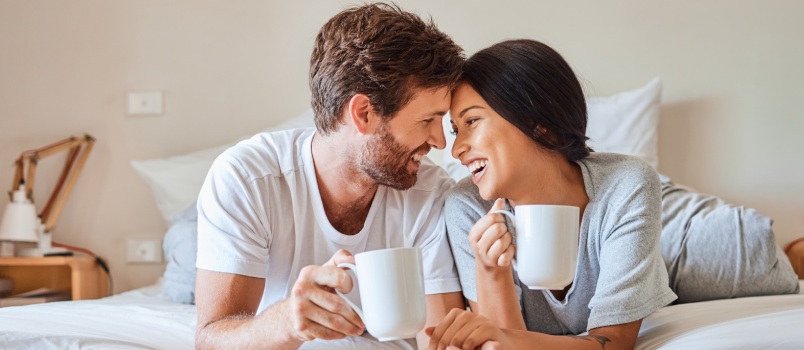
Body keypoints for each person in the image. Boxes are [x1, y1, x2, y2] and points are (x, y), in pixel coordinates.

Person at [193, 3, 466, 349]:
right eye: (427, 120)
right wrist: (289, 320)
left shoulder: (430, 192)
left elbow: (440, 340)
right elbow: (210, 340)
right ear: (363, 113)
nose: (440, 141)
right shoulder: (249, 180)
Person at [427, 39, 677, 349]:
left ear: (539, 124)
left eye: (472, 121)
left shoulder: (627, 184)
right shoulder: (467, 207)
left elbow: (613, 343)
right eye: (455, 129)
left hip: (675, 238)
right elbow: (503, 344)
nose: (456, 148)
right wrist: (491, 271)